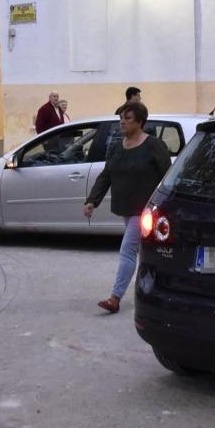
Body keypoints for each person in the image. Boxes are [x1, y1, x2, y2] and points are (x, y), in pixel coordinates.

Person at [84, 102, 172, 314]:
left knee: (127, 250)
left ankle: (115, 298)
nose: (122, 122)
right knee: (145, 252)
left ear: (140, 122)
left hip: (145, 211)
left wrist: (166, 206)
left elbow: (167, 176)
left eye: (128, 118)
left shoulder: (154, 145)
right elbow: (106, 175)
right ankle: (155, 290)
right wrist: (92, 201)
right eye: (121, 118)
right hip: (126, 208)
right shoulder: (116, 147)